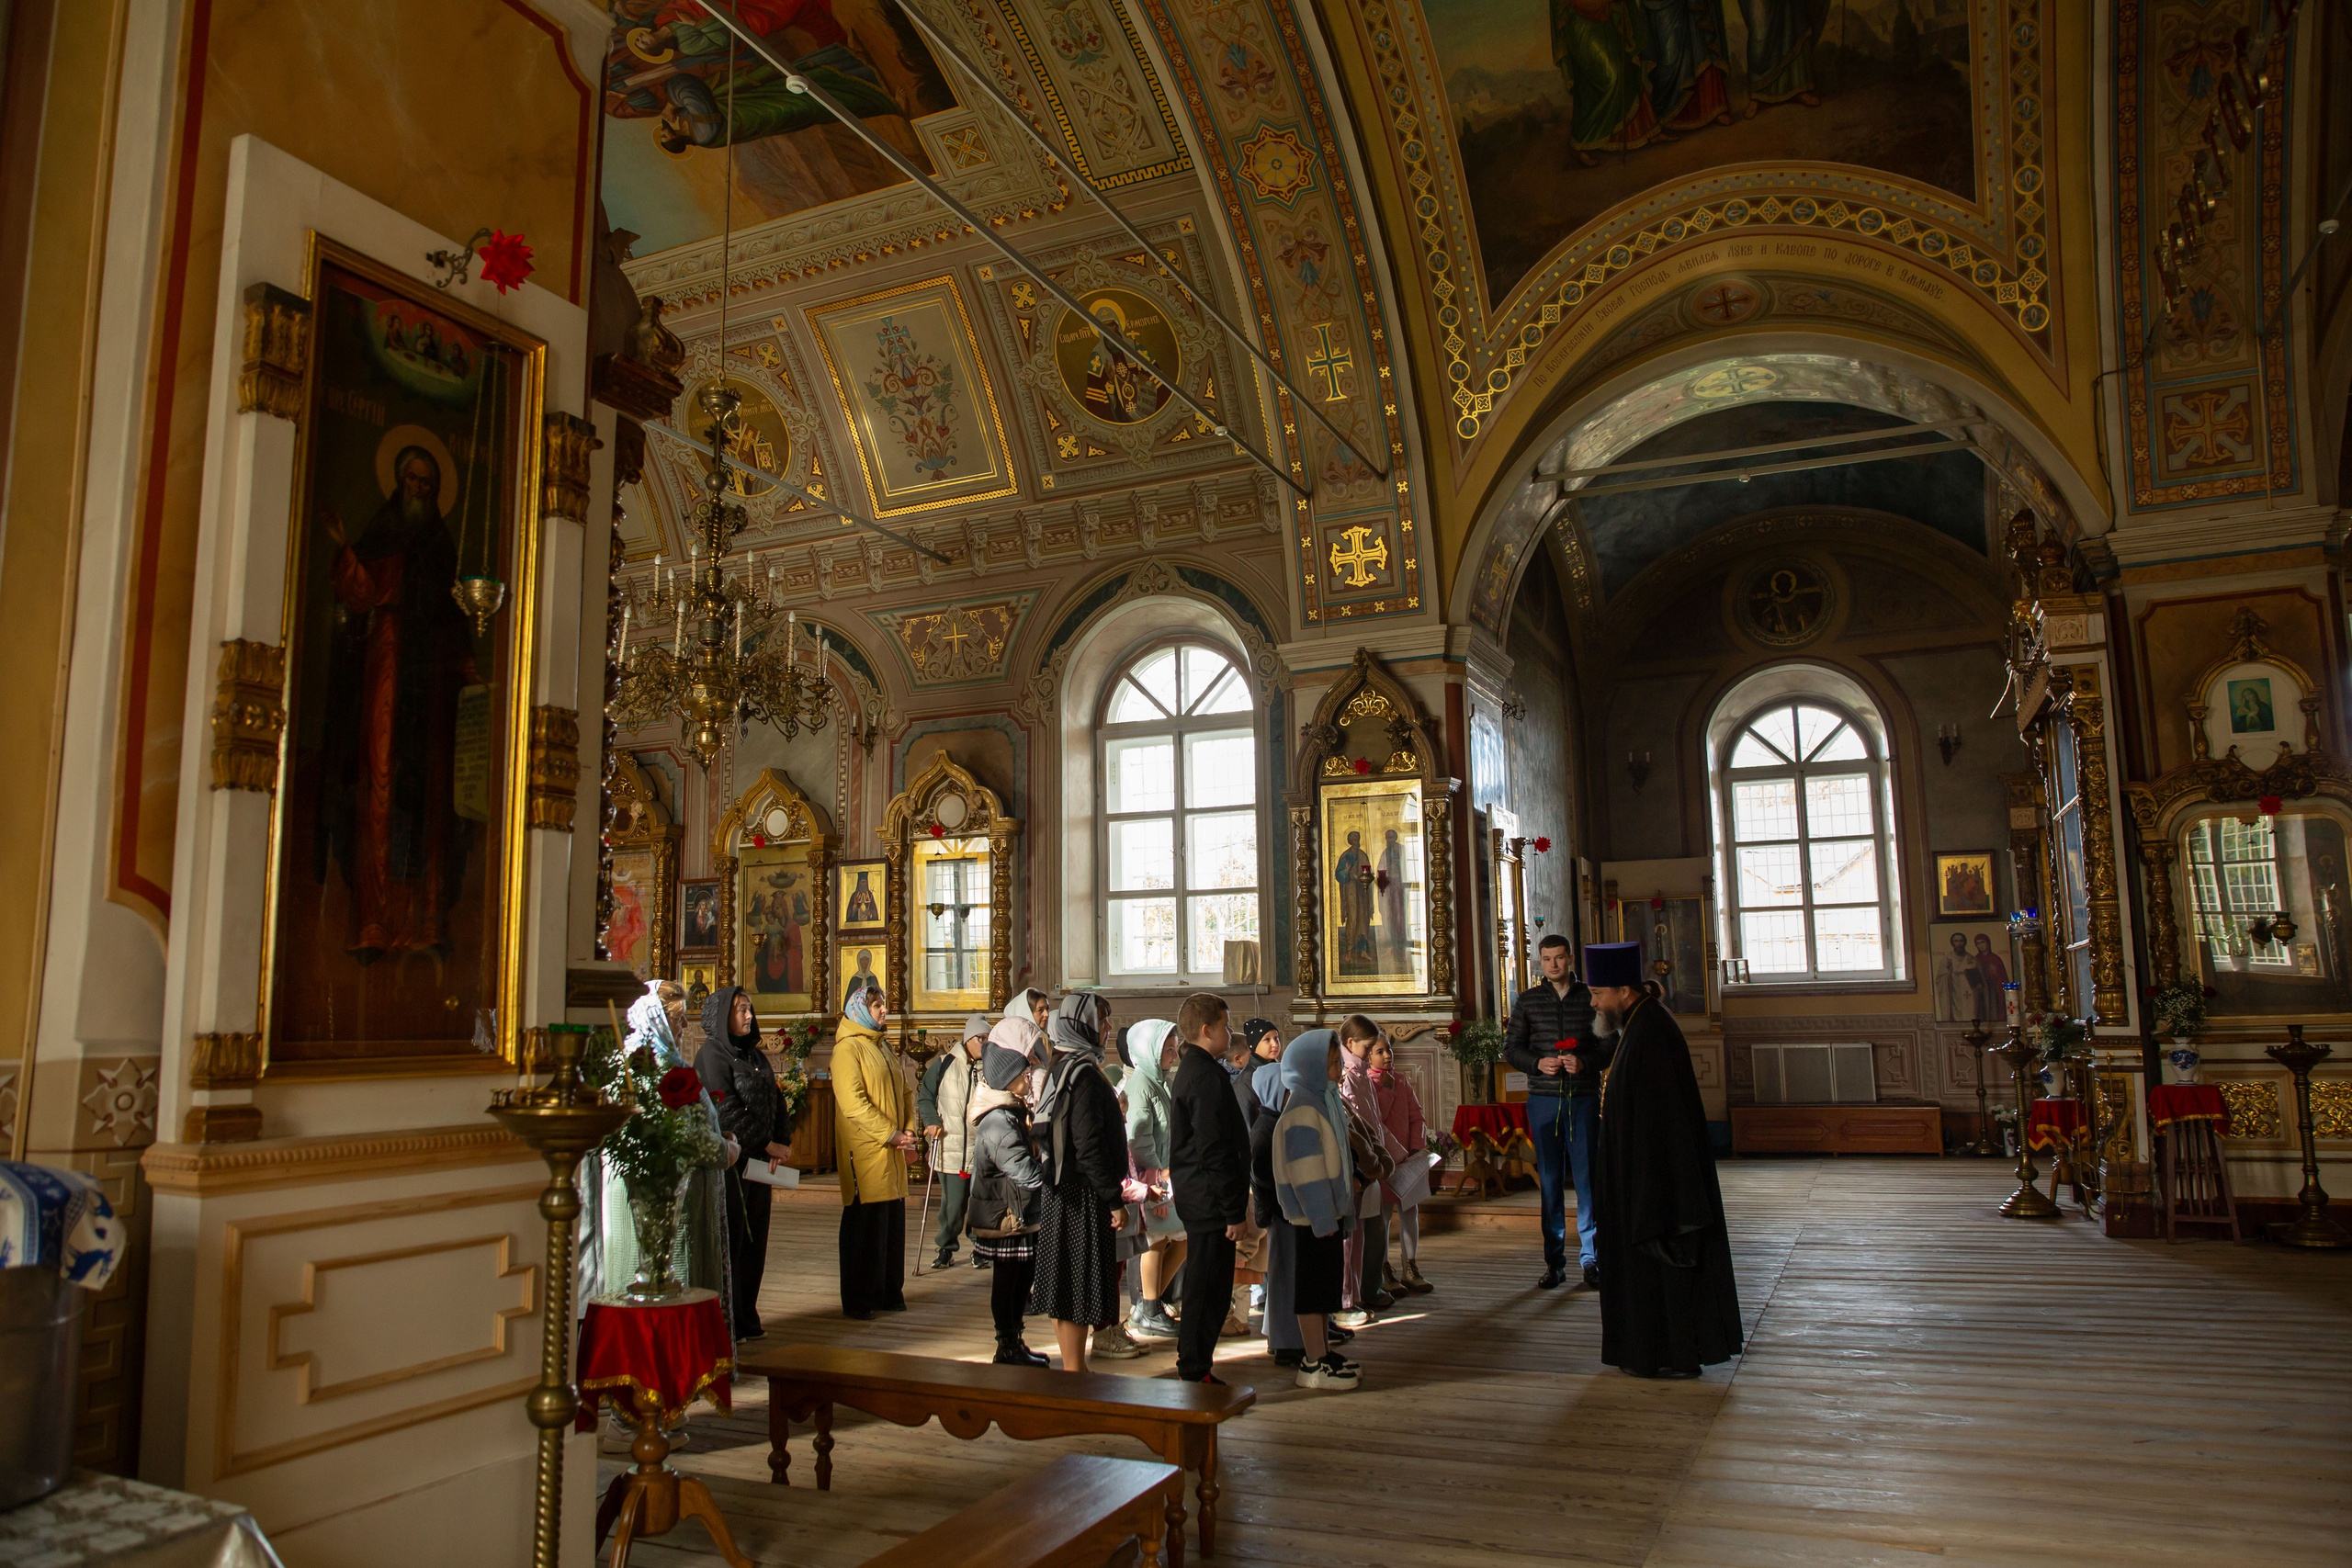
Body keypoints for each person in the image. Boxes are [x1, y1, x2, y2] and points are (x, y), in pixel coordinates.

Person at [1586, 941, 1743, 1380]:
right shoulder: (1639, 1023)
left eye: (1597, 994)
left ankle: (1662, 1351)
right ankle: (1651, 1351)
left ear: (1623, 990)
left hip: (1653, 1184)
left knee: (1657, 1271)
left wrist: (1644, 1188)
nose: (1593, 1003)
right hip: (1637, 1177)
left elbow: (1661, 1121)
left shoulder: (1651, 1030)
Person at [1504, 932, 1613, 1290]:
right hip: (1544, 1100)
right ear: (1541, 962)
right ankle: (1554, 1263)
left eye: (1560, 957)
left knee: (1587, 1182)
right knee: (1550, 1183)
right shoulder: (1528, 1001)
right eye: (1547, 959)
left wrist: (1585, 1062)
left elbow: (1609, 1044)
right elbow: (1512, 1048)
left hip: (1583, 1099)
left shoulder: (1591, 997)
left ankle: (1592, 1260)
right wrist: (1538, 1063)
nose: (1554, 964)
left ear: (1570, 959)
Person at [1253, 1029, 1359, 1391]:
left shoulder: (1321, 1101)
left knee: (1325, 1289)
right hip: (1313, 1219)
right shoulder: (1303, 1109)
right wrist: (1323, 1216)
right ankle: (1314, 1360)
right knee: (1313, 1292)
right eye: (1331, 1064)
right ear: (1310, 1067)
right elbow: (1306, 1172)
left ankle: (1323, 1353)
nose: (1338, 1070)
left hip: (1326, 1216)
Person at [1029, 992, 1127, 1371]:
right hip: (1081, 1195)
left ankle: (1074, 1367)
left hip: (1064, 1192)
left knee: (1065, 1284)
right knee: (1074, 1287)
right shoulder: (1083, 1075)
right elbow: (1088, 1145)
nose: (1107, 1028)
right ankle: (1074, 1372)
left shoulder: (1064, 1066)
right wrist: (1113, 1198)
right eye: (1100, 1020)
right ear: (1080, 1025)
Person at [694, 985, 797, 1340]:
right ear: (724, 1015)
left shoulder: (755, 1055)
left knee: (756, 1243)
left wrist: (782, 1142)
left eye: (750, 1008)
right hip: (732, 1166)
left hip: (760, 1166)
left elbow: (776, 1099)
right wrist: (768, 1143)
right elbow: (726, 1110)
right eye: (741, 1009)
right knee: (734, 1242)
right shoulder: (712, 1055)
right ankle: (730, 1321)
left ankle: (747, 1317)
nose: (749, 1015)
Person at [1169, 992, 1254, 1383]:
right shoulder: (1203, 1075)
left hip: (1205, 1197)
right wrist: (1233, 1211)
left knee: (1210, 1289)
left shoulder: (1200, 1068)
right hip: (1209, 1201)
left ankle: (1196, 1366)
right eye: (1224, 1024)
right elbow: (1213, 1148)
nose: (1230, 1031)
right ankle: (1194, 1370)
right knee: (1207, 1292)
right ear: (1206, 1030)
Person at [966, 1025, 1048, 1366]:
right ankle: (1006, 1345)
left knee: (1020, 1280)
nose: (1029, 1078)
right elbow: (1025, 1173)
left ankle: (1015, 1339)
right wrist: (1054, 1176)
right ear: (1008, 1081)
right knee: (1008, 1282)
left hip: (1015, 1212)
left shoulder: (1010, 1111)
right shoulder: (998, 1122)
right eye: (1024, 1074)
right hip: (1005, 1215)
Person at [832, 983, 916, 1320]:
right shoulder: (847, 1049)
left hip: (892, 1149)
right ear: (860, 1010)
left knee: (890, 1225)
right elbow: (853, 1104)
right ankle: (859, 1298)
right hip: (866, 1151)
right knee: (865, 1225)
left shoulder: (883, 1046)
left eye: (884, 1004)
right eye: (877, 1005)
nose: (885, 1010)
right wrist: (889, 1134)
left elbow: (905, 1091)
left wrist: (908, 1129)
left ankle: (887, 1292)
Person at [1121, 1020, 1189, 1345]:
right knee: (1156, 1241)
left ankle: (1148, 1305)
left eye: (1174, 1049)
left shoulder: (1162, 1081)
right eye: (1168, 1050)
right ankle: (1148, 1307)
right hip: (1153, 1178)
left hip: (1167, 1176)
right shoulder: (1141, 1086)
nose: (1173, 1056)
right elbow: (1139, 1139)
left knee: (1178, 1239)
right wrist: (1156, 1179)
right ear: (1149, 1050)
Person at [1335, 1014, 1402, 1323]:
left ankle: (1361, 1293)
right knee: (1352, 1237)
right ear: (1350, 1043)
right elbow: (1354, 1128)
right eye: (1367, 1047)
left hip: (1369, 1164)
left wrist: (1390, 1154)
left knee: (1366, 1233)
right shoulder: (1347, 1075)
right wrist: (1370, 1161)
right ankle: (1348, 1299)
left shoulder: (1360, 1072)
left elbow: (1371, 1122)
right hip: (1358, 1167)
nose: (1370, 1053)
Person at [917, 1014, 989, 1271]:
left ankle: (980, 1248)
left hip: (981, 1148)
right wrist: (931, 1120)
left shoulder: (991, 1067)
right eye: (981, 1038)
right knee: (953, 1205)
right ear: (968, 1039)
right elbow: (925, 1096)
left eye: (989, 1038)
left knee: (981, 1203)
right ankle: (946, 1248)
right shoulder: (944, 1064)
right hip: (951, 1147)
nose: (986, 1043)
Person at [1369, 1034, 1432, 1294]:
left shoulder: (1402, 1080)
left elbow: (1417, 1117)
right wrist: (1385, 1089)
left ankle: (1410, 1266)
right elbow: (1376, 1120)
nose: (1387, 1056)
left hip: (1408, 1159)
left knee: (1410, 1212)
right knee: (1383, 1217)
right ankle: (1384, 1269)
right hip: (1386, 1161)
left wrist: (1416, 1148)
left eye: (1389, 1050)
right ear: (1367, 1056)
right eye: (1380, 1052)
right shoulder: (1367, 1084)